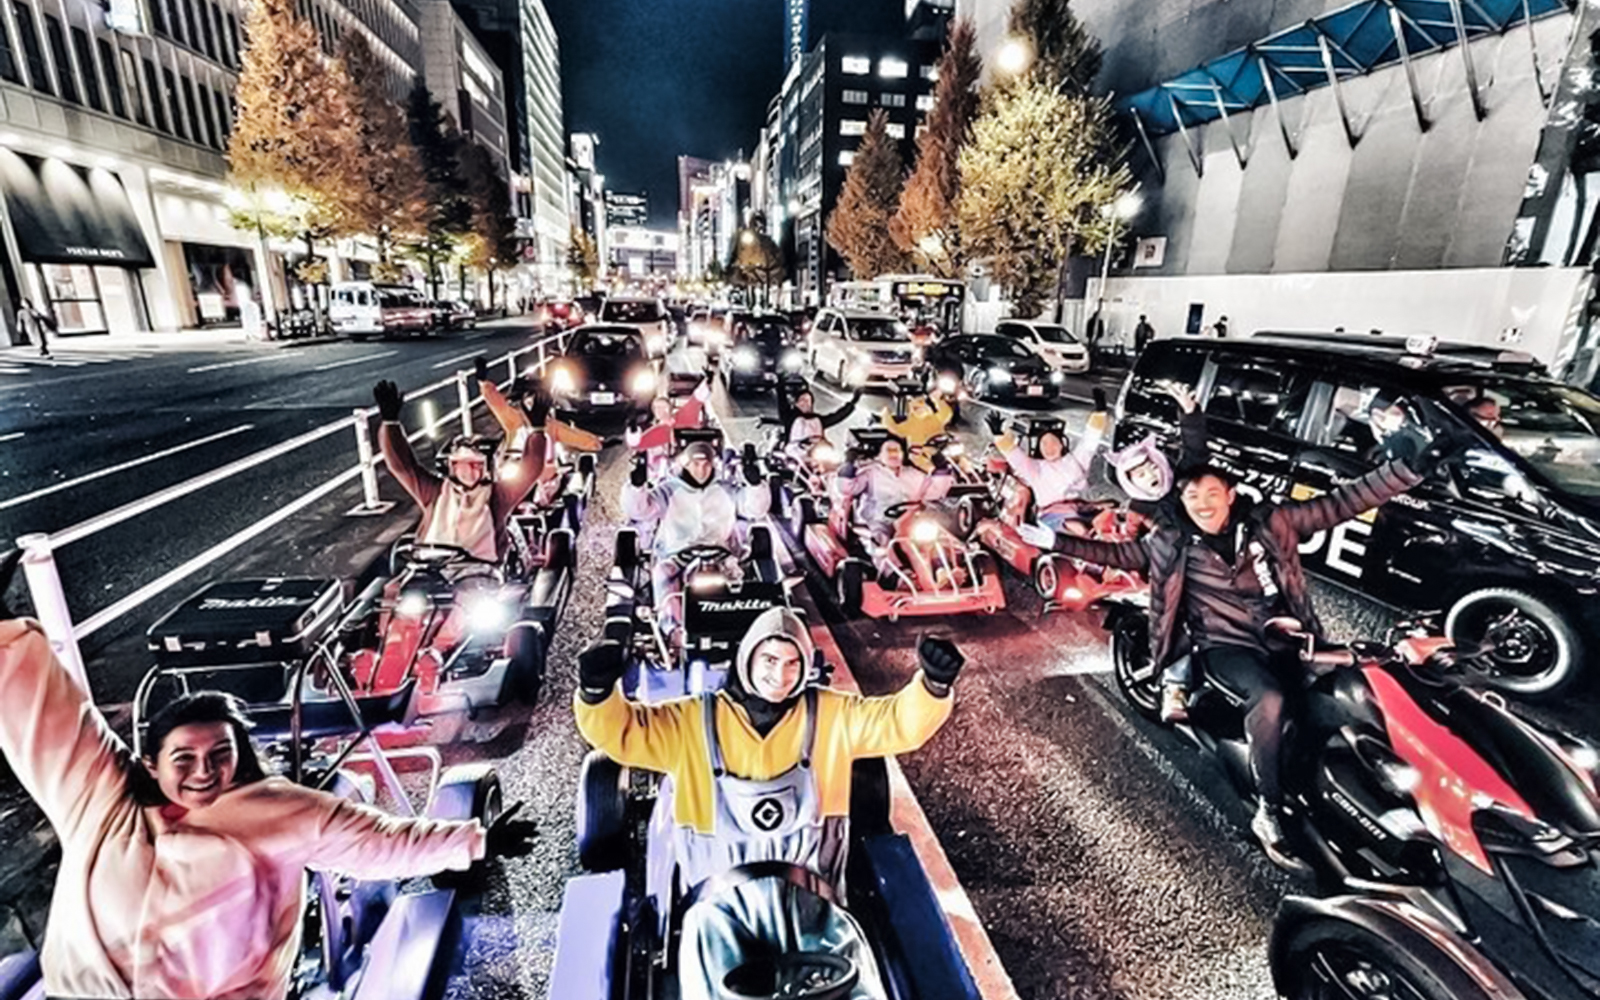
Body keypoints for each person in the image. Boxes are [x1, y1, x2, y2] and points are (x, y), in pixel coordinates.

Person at [0, 558, 534, 1000]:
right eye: (183, 758)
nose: (204, 770)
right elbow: (45, 711)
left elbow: (382, 844)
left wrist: (476, 839)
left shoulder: (280, 811)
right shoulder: (101, 805)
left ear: (242, 756)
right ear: (149, 764)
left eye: (220, 753)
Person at [1031, 420, 1455, 863]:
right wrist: (1057, 542)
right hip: (1225, 647)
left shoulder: (1272, 522)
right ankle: (1268, 810)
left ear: (1230, 495)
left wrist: (1409, 468)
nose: (1202, 503)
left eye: (1212, 493)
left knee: (1351, 691)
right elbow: (1117, 555)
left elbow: (1343, 502)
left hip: (1290, 636)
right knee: (1269, 698)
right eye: (1192, 496)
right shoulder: (1171, 541)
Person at [573, 611, 967, 1000]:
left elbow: (897, 723)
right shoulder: (693, 719)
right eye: (770, 661)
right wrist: (597, 693)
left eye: (793, 663)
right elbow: (623, 732)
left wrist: (932, 685)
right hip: (717, 909)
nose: (781, 676)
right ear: (748, 658)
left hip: (813, 901)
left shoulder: (832, 714)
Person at [373, 379, 545, 569]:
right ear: (452, 467)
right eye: (462, 464)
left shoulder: (498, 496)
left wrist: (537, 429)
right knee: (394, 592)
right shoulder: (434, 492)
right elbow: (403, 467)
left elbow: (531, 469)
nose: (470, 471)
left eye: (476, 464)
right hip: (430, 569)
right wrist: (390, 423)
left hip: (481, 575)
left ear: (487, 467)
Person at [622, 439, 771, 644]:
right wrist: (637, 487)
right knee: (663, 575)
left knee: (739, 580)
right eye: (696, 464)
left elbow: (754, 509)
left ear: (713, 465)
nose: (701, 470)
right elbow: (640, 511)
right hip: (676, 555)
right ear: (686, 464)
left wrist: (755, 485)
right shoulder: (668, 490)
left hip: (720, 554)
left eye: (706, 464)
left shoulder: (726, 489)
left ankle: (741, 630)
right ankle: (672, 631)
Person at [984, 389, 1110, 532]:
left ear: (1062, 443)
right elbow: (1015, 457)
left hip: (1081, 508)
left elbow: (1089, 441)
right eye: (1044, 444)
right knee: (1074, 527)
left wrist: (1100, 412)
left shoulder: (1076, 460)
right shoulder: (1036, 468)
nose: (1049, 448)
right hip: (1053, 516)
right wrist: (999, 435)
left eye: (1053, 442)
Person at [837, 435, 954, 579]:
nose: (894, 455)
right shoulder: (870, 473)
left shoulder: (913, 474)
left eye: (897, 451)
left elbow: (935, 491)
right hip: (879, 519)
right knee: (882, 541)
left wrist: (941, 464)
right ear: (880, 455)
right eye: (889, 451)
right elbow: (847, 488)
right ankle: (896, 575)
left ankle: (943, 569)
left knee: (935, 536)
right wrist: (849, 463)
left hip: (909, 519)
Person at [630, 381, 712, 481]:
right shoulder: (655, 432)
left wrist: (707, 381)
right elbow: (638, 444)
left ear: (670, 408)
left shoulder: (684, 416)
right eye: (657, 408)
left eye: (663, 407)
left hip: (698, 453)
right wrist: (633, 430)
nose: (661, 410)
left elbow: (696, 400)